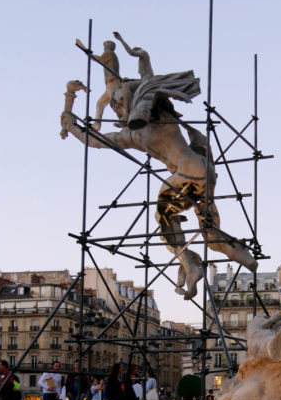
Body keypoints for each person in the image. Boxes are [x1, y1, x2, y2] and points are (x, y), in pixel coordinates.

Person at [61, 37, 257, 301]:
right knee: (210, 231)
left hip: (186, 173)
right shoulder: (163, 116)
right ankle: (242, 255)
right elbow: (145, 81)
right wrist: (143, 58)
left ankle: (190, 266)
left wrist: (70, 118)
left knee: (163, 217)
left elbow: (93, 139)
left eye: (119, 107)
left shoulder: (134, 135)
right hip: (205, 170)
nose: (118, 112)